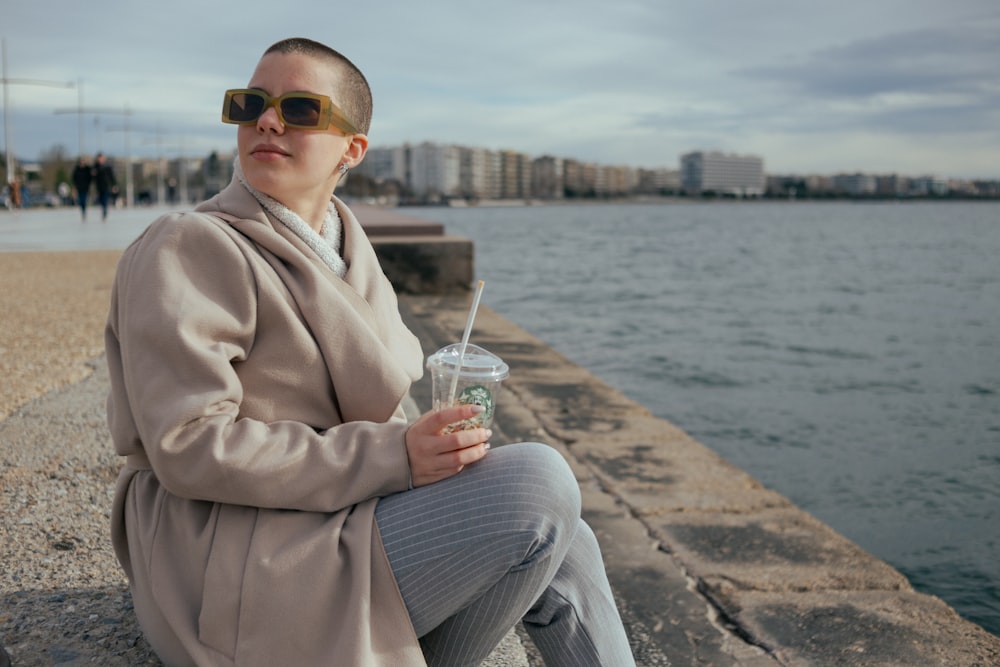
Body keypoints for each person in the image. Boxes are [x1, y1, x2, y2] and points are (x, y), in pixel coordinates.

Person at [105, 37, 635, 666]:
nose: (267, 121)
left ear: (352, 149)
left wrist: (432, 452)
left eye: (300, 109)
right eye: (250, 105)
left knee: (570, 540)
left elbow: (380, 414)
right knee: (541, 480)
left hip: (329, 514)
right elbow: (189, 446)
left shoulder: (350, 249)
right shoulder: (190, 244)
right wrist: (397, 454)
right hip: (232, 546)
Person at [93, 152, 118, 220]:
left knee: (105, 199)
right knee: (101, 199)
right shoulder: (96, 166)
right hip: (99, 186)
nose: (101, 160)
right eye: (99, 158)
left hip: (106, 185)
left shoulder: (107, 167)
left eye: (102, 158)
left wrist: (114, 185)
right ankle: (103, 209)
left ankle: (105, 211)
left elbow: (112, 177)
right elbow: (93, 176)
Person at [72, 157, 93, 221]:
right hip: (79, 187)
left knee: (83, 200)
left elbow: (91, 177)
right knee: (80, 201)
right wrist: (75, 186)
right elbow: (74, 178)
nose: (83, 162)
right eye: (82, 161)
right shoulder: (77, 169)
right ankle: (83, 210)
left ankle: (84, 211)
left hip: (85, 187)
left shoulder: (87, 169)